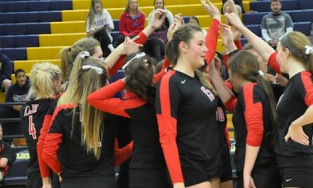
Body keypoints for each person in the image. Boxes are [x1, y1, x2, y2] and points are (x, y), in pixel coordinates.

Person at [227, 12, 313, 187]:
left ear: (286, 53)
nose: (275, 56)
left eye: (278, 51)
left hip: (299, 167)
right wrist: (242, 28)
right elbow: (266, 52)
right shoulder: (295, 78)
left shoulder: (302, 78)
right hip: (292, 166)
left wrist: (295, 124)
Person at [42, 53, 130, 188]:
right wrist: (134, 146)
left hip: (72, 182)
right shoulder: (112, 112)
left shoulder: (63, 111)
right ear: (104, 84)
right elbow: (116, 156)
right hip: (104, 182)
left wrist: (61, 172)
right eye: (107, 80)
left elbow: (48, 153)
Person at [88, 52, 171, 188]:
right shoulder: (134, 102)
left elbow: (94, 98)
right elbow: (93, 99)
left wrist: (126, 80)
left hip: (155, 168)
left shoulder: (134, 102)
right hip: (148, 170)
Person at [156, 19, 222, 188]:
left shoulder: (198, 77)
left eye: (205, 44)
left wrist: (216, 18)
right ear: (183, 47)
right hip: (190, 166)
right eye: (200, 44)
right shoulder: (170, 82)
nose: (206, 49)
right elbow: (167, 136)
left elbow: (210, 52)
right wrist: (178, 182)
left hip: (212, 162)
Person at [209, 50, 281, 188]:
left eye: (229, 76)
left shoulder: (249, 90)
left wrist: (247, 173)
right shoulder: (258, 89)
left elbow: (255, 130)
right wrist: (214, 73)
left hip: (258, 170)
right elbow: (231, 104)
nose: (229, 80)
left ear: (235, 75)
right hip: (263, 169)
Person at [20, 62, 62, 188]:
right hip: (51, 171)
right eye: (60, 81)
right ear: (55, 82)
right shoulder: (54, 105)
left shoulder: (24, 109)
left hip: (33, 170)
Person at [0, 69, 30, 136]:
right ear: (16, 78)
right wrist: (14, 106)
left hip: (28, 110)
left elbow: (35, 100)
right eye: (19, 77)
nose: (22, 79)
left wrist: (24, 107)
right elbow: (7, 103)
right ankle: (7, 138)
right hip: (15, 111)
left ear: (25, 76)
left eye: (23, 76)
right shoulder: (11, 88)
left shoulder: (31, 87)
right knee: (2, 112)